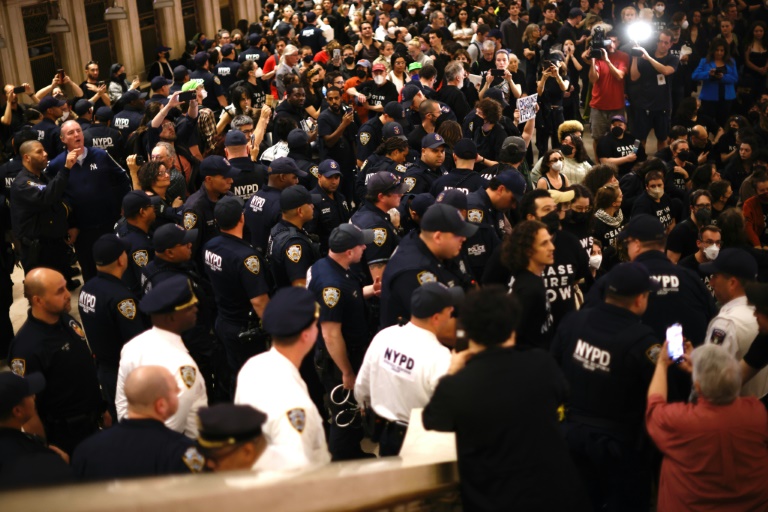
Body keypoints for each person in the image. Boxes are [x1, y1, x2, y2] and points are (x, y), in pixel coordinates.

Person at [423, 286, 590, 511]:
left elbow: (432, 420)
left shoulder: (455, 386)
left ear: (467, 330)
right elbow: (562, 394)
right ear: (513, 328)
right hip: (554, 493)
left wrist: (453, 371)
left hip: (493, 498)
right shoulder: (543, 364)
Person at [552, 262, 661, 511]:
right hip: (620, 451)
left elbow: (553, 369)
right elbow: (662, 396)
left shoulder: (573, 321)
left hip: (571, 437)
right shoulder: (643, 342)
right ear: (639, 300)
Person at [646, 343, 768, 510]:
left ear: (698, 386)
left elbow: (654, 406)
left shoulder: (682, 422)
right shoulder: (756, 412)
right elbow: (723, 390)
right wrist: (701, 373)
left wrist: (661, 364)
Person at [356, 282, 463, 456]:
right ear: (436, 318)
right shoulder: (439, 356)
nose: (452, 313)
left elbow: (362, 387)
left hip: (386, 435)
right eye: (449, 310)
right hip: (423, 440)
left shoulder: (385, 336)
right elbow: (450, 410)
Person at [8, 268, 103, 455]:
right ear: (38, 300)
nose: (68, 295)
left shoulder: (65, 319)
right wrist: (46, 452)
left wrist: (102, 410)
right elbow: (29, 412)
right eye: (60, 291)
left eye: (66, 288)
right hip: (65, 438)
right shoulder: (26, 348)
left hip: (92, 423)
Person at [234, 287, 331, 470]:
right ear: (306, 335)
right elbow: (295, 473)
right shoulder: (295, 405)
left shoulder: (253, 365)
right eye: (314, 325)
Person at [307, 224, 379, 460]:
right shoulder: (332, 285)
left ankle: (352, 451)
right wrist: (346, 371)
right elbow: (331, 334)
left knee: (351, 410)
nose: (365, 247)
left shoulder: (329, 266)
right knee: (345, 413)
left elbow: (351, 294)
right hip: (338, 359)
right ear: (349, 251)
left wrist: (370, 290)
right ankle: (343, 462)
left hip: (348, 351)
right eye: (361, 245)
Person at [115, 274, 208, 438]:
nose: (195, 309)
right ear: (171, 317)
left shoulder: (133, 346)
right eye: (189, 307)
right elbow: (171, 429)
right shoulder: (182, 367)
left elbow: (123, 403)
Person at [71, 366, 204, 480]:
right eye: (175, 392)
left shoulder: (86, 450)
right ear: (161, 405)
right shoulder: (184, 451)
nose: (179, 394)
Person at [46, 119, 131, 281]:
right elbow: (53, 196)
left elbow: (123, 178)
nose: (77, 134)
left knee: (117, 263)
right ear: (63, 139)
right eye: (71, 133)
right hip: (82, 229)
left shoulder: (101, 155)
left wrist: (124, 204)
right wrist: (69, 225)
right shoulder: (57, 164)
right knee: (89, 268)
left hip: (109, 222)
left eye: (78, 130)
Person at [78, 234, 150, 421]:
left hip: (104, 368)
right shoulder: (122, 299)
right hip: (124, 373)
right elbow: (136, 341)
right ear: (120, 259)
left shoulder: (87, 290)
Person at [203, 195, 270, 383]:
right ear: (242, 218)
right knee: (253, 381)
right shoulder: (247, 258)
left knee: (235, 375)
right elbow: (259, 301)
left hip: (223, 320)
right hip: (244, 329)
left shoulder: (210, 247)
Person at [380, 203, 478, 327]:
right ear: (438, 237)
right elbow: (436, 326)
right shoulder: (413, 271)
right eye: (458, 234)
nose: (463, 238)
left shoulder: (434, 246)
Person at [9, 140, 77, 287]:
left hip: (54, 243)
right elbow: (47, 197)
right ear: (27, 157)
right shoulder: (23, 183)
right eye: (39, 152)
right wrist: (65, 169)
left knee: (58, 285)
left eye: (44, 150)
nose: (45, 154)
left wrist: (70, 226)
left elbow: (60, 202)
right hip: (37, 250)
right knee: (42, 290)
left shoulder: (42, 177)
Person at [701, 248, 768, 397]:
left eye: (715, 276)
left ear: (732, 283)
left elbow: (710, 382)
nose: (711, 283)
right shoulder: (760, 314)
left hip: (732, 411)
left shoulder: (726, 324)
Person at [0, 372, 72, 490]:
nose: (34, 396)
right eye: (28, 394)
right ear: (18, 411)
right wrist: (61, 466)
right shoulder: (42, 462)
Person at [501, 220, 555, 349]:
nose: (552, 247)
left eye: (550, 241)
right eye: (544, 244)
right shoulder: (528, 290)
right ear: (528, 251)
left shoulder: (533, 280)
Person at [350, 172, 407, 283]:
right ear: (381, 197)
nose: (401, 194)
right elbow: (379, 280)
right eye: (396, 191)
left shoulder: (363, 212)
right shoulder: (377, 227)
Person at [244, 156, 306, 254]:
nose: (297, 181)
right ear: (282, 177)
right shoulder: (282, 204)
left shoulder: (254, 196)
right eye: (294, 177)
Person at [629, 30, 679, 149]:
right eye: (661, 41)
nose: (663, 45)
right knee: (640, 138)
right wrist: (635, 58)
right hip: (644, 104)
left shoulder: (672, 59)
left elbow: (666, 71)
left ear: (671, 44)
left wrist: (649, 58)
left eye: (666, 42)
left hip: (662, 105)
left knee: (662, 138)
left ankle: (660, 162)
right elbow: (634, 77)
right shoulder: (646, 54)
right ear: (657, 42)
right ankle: (639, 161)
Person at [267, 185, 321, 288]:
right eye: (309, 204)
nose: (313, 206)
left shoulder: (278, 228)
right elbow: (300, 287)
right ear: (300, 211)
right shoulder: (295, 244)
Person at [588, 33, 630, 154]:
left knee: (617, 136)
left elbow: (619, 76)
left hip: (616, 106)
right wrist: (593, 60)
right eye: (609, 41)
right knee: (597, 138)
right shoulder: (598, 56)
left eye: (615, 41)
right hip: (598, 105)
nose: (611, 44)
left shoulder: (623, 56)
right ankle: (598, 165)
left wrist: (607, 60)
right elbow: (593, 79)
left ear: (619, 43)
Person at [196, 404, 268, 471]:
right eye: (207, 456)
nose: (209, 464)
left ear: (247, 452)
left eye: (215, 459)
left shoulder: (275, 478)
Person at [117, 190, 155, 296]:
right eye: (151, 206)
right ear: (142, 212)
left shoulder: (121, 226)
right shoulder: (140, 247)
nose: (154, 208)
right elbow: (148, 285)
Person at [310, 159, 351, 255]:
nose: (334, 181)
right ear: (319, 177)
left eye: (337, 177)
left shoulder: (341, 197)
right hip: (324, 253)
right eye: (329, 177)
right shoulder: (312, 200)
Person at [665, 190, 713, 263]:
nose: (705, 209)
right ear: (692, 208)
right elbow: (672, 263)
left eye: (707, 205)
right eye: (700, 206)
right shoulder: (680, 231)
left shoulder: (707, 226)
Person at [679, 224, 720, 295]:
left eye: (717, 242)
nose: (714, 247)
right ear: (699, 243)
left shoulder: (721, 265)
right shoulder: (684, 267)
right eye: (709, 242)